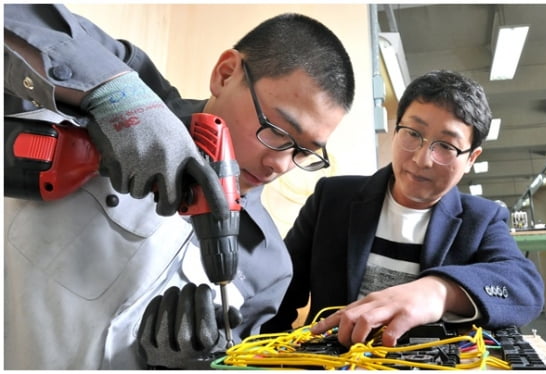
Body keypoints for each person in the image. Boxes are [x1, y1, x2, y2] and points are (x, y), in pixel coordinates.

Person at [3, 4, 354, 369]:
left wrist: (197, 365)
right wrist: (116, 98)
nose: (279, 165)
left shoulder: (270, 266)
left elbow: (236, 359)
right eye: (277, 131)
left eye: (304, 152)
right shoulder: (119, 75)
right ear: (226, 73)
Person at [261, 70, 545, 347]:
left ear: (472, 158)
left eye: (446, 146)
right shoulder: (333, 198)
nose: (423, 159)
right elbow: (278, 294)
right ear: (397, 130)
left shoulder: (481, 219)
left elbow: (525, 287)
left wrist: (439, 291)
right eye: (412, 133)